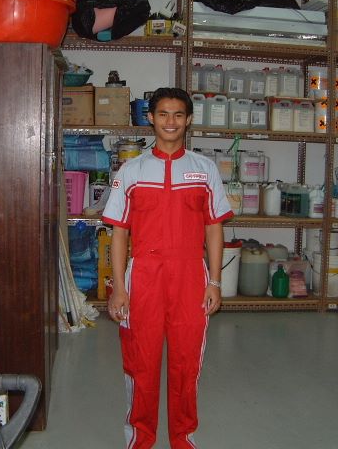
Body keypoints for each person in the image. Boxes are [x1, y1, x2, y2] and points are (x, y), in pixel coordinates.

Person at [101, 87, 234, 448]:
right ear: (151, 118)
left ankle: (183, 439)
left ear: (188, 120)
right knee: (140, 363)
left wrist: (215, 282)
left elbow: (214, 228)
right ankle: (140, 439)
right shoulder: (132, 170)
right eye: (163, 114)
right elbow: (118, 233)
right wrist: (119, 288)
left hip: (190, 277)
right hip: (143, 277)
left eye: (178, 115)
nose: (170, 122)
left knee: (186, 364)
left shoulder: (204, 169)